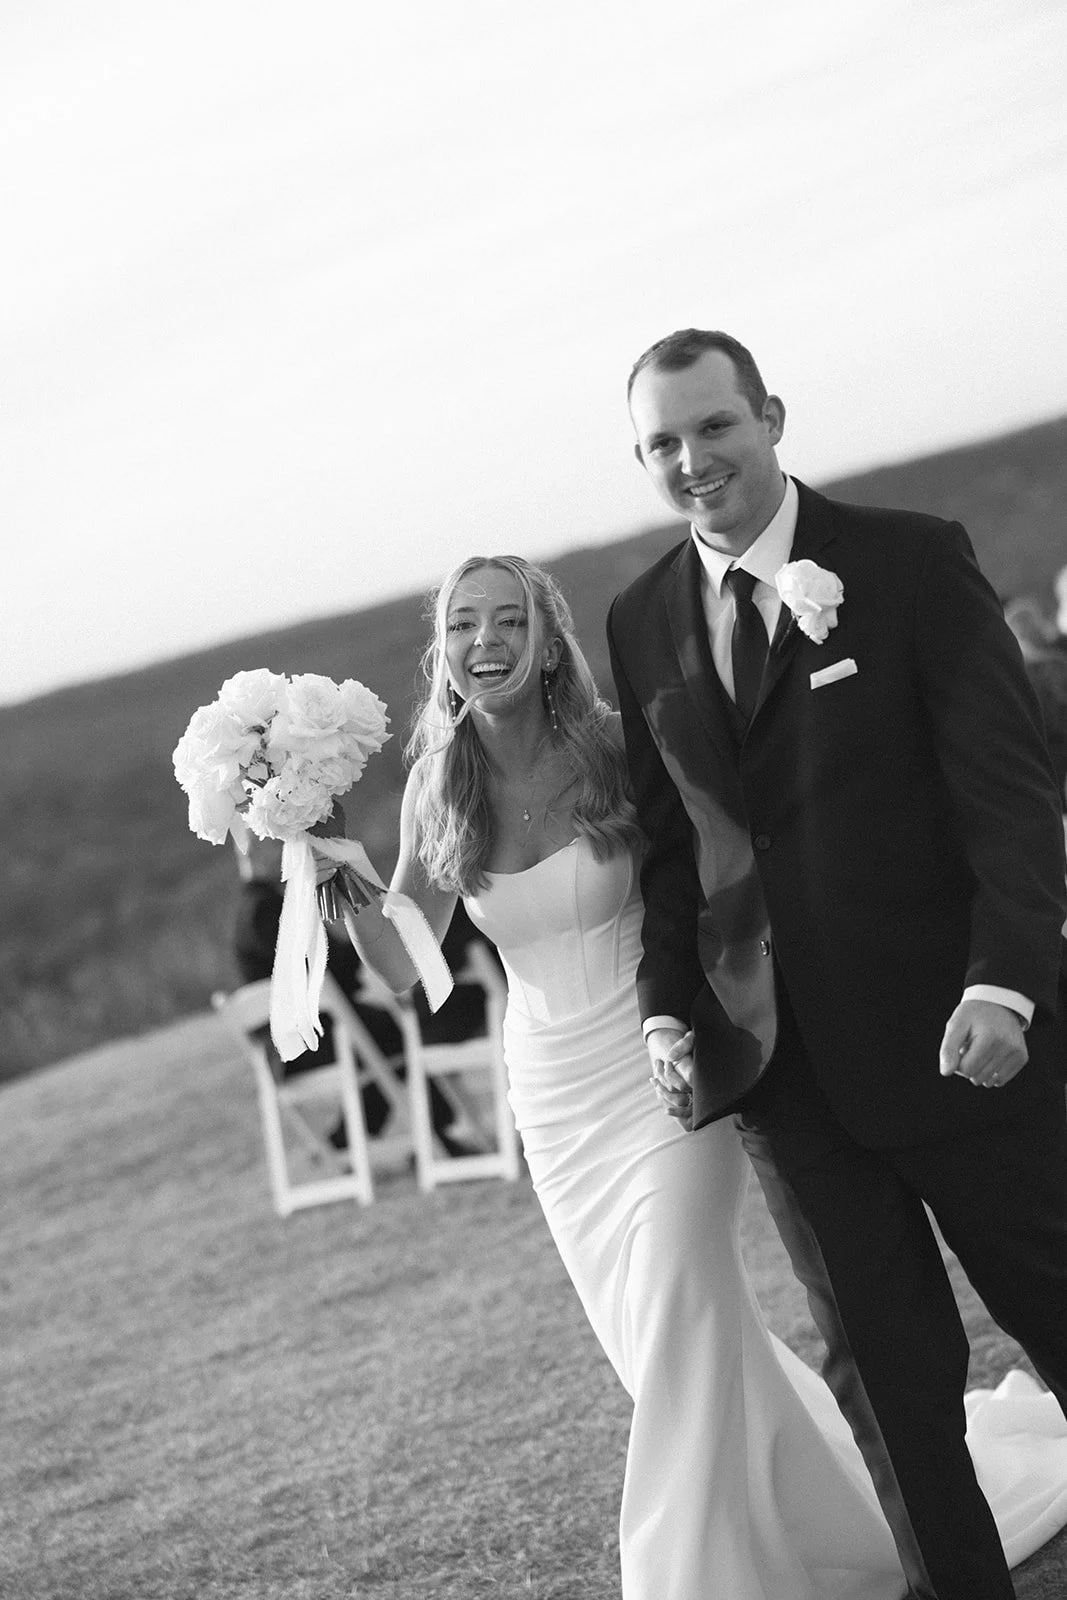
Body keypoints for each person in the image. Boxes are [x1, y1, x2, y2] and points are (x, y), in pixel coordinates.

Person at [321, 553, 1067, 1599]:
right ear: (438, 650)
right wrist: (330, 871)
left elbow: (716, 874)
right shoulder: (435, 785)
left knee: (678, 1293)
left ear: (545, 639)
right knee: (663, 1341)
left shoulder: (617, 750)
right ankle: (836, 1520)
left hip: (656, 1064)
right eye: (459, 625)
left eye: (503, 621)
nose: (481, 641)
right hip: (552, 1093)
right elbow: (410, 968)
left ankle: (686, 1575)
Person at [607, 328, 1067, 1600]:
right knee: (890, 1384)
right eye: (661, 442)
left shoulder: (909, 560)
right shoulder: (639, 616)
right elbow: (666, 847)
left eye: (714, 427)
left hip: (962, 1039)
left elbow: (1009, 796)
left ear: (771, 416)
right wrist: (664, 1008)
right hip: (783, 1074)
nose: (692, 460)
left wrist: (1005, 980)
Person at [231, 834, 488, 1158]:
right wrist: (373, 941)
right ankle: (436, 1136)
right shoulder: (264, 910)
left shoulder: (254, 907)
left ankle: (358, 1138)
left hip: (307, 1038)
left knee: (387, 1036)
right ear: (256, 853)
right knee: (401, 1034)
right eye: (278, 847)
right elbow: (328, 970)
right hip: (312, 1041)